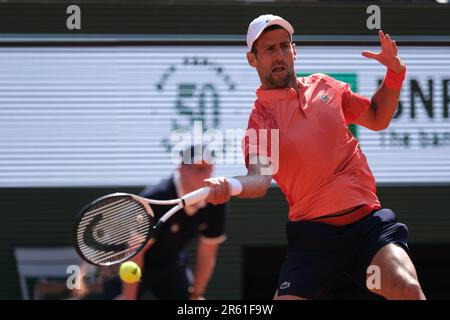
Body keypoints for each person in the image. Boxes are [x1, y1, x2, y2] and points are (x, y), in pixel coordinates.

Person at [203, 14, 426, 300]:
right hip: (314, 241)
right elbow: (259, 180)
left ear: (294, 50)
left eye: (285, 45)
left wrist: (395, 75)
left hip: (366, 228)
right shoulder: (262, 119)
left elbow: (376, 116)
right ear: (252, 59)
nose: (280, 54)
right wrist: (230, 185)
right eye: (269, 49)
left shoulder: (326, 87)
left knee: (406, 289)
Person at [109, 145, 228, 300]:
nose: (206, 175)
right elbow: (135, 250)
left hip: (170, 263)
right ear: (181, 169)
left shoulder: (216, 200)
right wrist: (128, 297)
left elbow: (207, 251)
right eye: (199, 168)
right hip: (128, 261)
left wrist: (197, 294)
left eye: (209, 168)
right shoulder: (157, 197)